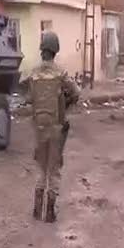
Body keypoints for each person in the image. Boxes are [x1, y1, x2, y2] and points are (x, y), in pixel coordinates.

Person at [26, 31, 80, 223]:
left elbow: (28, 98)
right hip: (56, 127)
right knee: (54, 168)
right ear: (55, 51)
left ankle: (36, 208)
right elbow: (76, 92)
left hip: (39, 127)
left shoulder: (33, 74)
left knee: (41, 166)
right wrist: (65, 100)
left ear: (42, 50)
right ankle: (49, 212)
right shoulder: (60, 73)